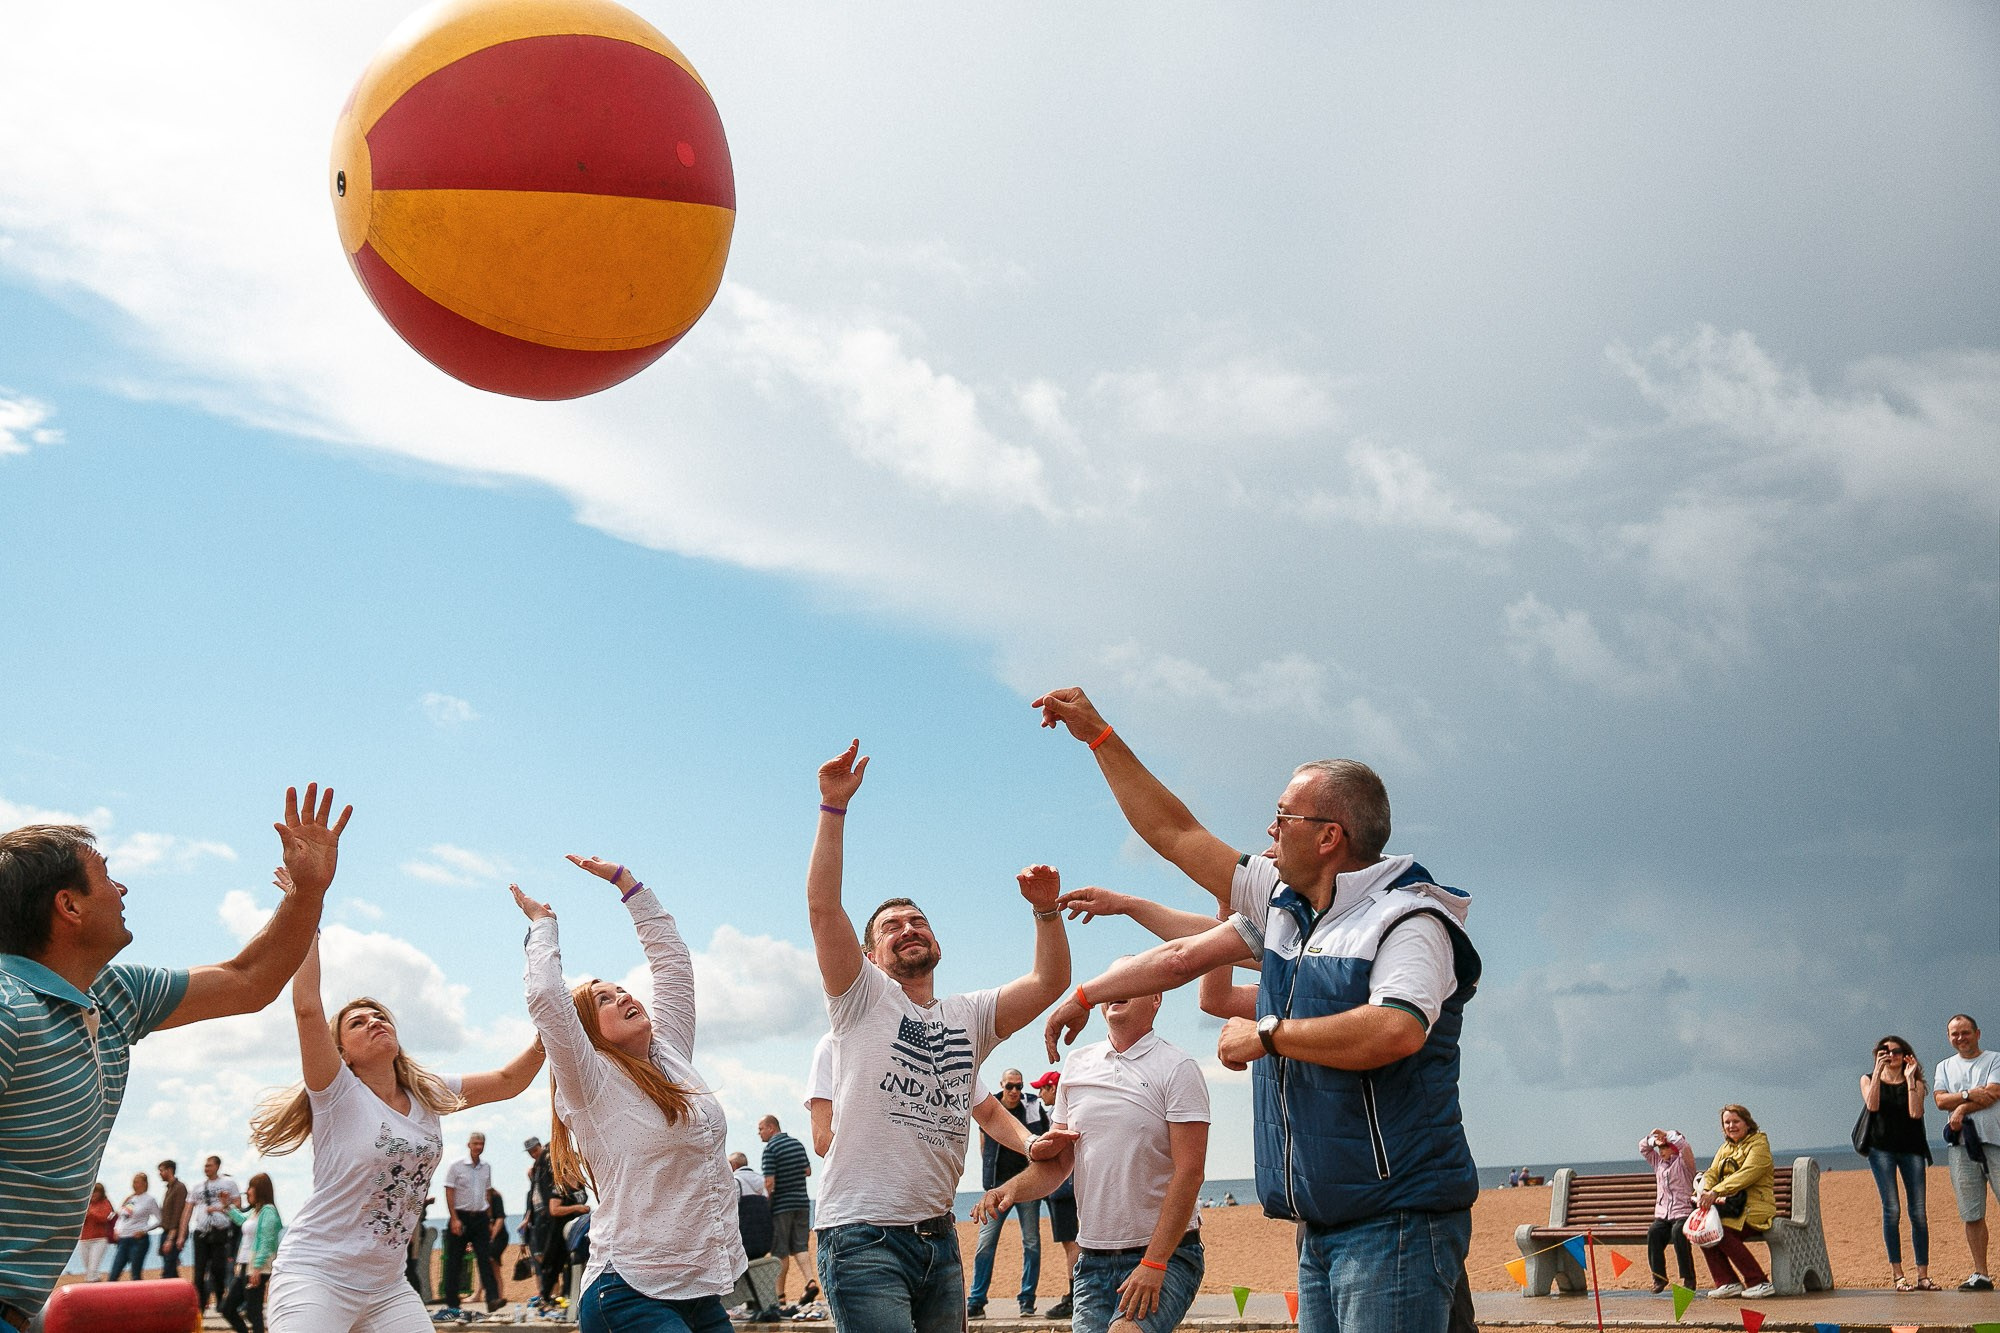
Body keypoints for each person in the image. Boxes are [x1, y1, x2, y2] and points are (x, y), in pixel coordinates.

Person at [1030, 688, 1480, 1333]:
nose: (1269, 830)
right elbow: (1175, 837)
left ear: (1330, 836)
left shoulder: (1409, 919)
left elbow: (1396, 1030)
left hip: (1396, 1219)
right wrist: (1099, 735)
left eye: (1283, 816)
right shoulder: (1287, 905)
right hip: (1320, 1221)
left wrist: (1267, 1036)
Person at [0, 784, 350, 1325]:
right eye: (106, 876)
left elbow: (249, 980)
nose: (122, 887)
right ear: (67, 905)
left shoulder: (116, 996)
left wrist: (307, 891)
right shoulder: (7, 1008)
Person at [806, 740, 1076, 1333]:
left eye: (918, 920)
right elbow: (825, 910)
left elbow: (1050, 979)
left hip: (938, 1235)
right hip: (862, 1237)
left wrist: (1046, 911)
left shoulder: (969, 1015)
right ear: (869, 954)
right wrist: (833, 811)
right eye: (892, 926)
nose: (909, 929)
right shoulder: (861, 1000)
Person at [253, 925, 544, 1333]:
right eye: (357, 1023)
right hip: (316, 1275)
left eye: (380, 1017)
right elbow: (306, 1008)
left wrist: (549, 1031)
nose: (374, 1022)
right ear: (343, 1054)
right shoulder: (337, 1092)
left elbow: (508, 1081)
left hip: (387, 1287)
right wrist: (307, 925)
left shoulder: (428, 1092)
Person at [514, 854, 748, 1333]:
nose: (624, 996)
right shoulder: (588, 1079)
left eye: (623, 989)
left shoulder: (671, 1055)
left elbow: (673, 966)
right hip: (628, 1291)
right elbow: (545, 996)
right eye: (604, 998)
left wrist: (629, 886)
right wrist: (544, 925)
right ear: (586, 1031)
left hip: (700, 1292)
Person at [977, 982, 1209, 1333]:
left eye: (1131, 978)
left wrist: (1154, 1263)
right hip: (1093, 1261)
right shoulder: (1078, 1064)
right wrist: (1009, 1190)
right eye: (1112, 979)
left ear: (1156, 996)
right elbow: (1058, 1163)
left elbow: (1190, 1174)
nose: (1117, 984)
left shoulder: (1178, 1066)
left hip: (1166, 1254)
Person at [968, 1069, 1051, 1319]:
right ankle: (976, 1301)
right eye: (1010, 1086)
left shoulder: (1034, 1106)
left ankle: (1027, 1300)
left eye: (1019, 1086)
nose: (1014, 1091)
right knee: (985, 1244)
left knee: (1032, 1243)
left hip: (1027, 1188)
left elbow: (1045, 1136)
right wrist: (990, 1182)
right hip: (997, 1188)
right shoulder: (991, 1106)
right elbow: (984, 1146)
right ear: (1001, 1085)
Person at [1860, 1035, 1935, 1291]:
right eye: (1884, 1050)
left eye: (1895, 1051)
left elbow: (1916, 1113)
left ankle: (1923, 1275)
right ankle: (1898, 1275)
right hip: (1881, 1150)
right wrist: (1878, 1070)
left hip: (1912, 1149)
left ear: (1906, 1054)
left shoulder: (1918, 1082)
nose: (1890, 1054)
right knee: (1892, 1209)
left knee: (1919, 1213)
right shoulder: (1868, 1079)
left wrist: (1911, 1079)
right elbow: (1872, 1105)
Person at [1934, 1013, 2000, 1291]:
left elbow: (1994, 1092)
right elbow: (1939, 1101)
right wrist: (1967, 1096)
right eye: (1954, 1034)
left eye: (1965, 1032)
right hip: (1961, 1147)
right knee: (1971, 1212)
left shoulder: (1994, 1059)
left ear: (1977, 1033)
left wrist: (1960, 1106)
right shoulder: (1944, 1066)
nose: (1960, 1038)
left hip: (1995, 1141)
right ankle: (1981, 1273)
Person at [1695, 1104, 1776, 1300]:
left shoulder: (1759, 1145)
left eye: (1736, 1121)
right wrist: (1704, 1190)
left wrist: (1716, 1192)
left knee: (1721, 1230)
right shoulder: (1725, 1148)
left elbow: (1747, 1174)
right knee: (1704, 1229)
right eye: (1727, 1122)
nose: (1731, 1126)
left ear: (1747, 1123)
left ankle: (1759, 1282)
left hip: (1756, 1207)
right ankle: (1727, 1282)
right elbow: (1713, 1172)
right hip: (1731, 1207)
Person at [437, 1132, 504, 1315]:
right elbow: (449, 1191)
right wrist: (454, 1218)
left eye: (481, 1144)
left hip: (481, 1218)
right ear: (469, 1144)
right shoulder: (456, 1166)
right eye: (475, 1143)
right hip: (461, 1216)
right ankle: (452, 1302)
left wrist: (489, 1218)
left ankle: (492, 1299)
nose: (478, 1147)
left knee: (485, 1258)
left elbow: (488, 1192)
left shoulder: (486, 1167)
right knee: (455, 1261)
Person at [1032, 1071, 1080, 1322]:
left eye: (1043, 1089)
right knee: (1074, 1240)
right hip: (1070, 1186)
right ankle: (1078, 1293)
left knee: (1070, 1242)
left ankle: (1075, 1295)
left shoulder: (1058, 1119)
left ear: (1053, 1088)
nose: (1040, 1094)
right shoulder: (1073, 1112)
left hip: (1063, 1188)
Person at [759, 1115, 813, 1305]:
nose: (759, 1134)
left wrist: (768, 1203)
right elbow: (808, 1171)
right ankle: (810, 1281)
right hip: (802, 1202)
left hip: (782, 1206)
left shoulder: (770, 1149)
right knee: (800, 1246)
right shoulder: (797, 1144)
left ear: (771, 1128)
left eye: (761, 1129)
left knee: (780, 1251)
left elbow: (769, 1182)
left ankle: (779, 1296)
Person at [220, 1172, 282, 1333]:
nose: (247, 1191)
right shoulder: (256, 1211)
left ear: (259, 1190)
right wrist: (227, 1205)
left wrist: (257, 1268)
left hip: (255, 1267)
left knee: (254, 1312)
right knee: (228, 1308)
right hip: (244, 1266)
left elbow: (267, 1242)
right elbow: (241, 1219)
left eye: (250, 1188)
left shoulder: (268, 1212)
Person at [1639, 1129, 1698, 1292]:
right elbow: (1643, 1147)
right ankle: (1659, 1278)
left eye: (1665, 1147)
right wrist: (1654, 1140)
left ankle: (1689, 1278)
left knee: (1679, 1232)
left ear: (1673, 1147)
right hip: (1663, 1214)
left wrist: (1667, 1134)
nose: (1661, 1151)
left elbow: (1684, 1146)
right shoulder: (1658, 1163)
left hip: (1683, 1212)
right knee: (1654, 1232)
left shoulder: (1685, 1163)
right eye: (1660, 1148)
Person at [190, 1155, 243, 1308]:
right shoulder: (198, 1186)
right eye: (205, 1166)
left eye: (210, 1165)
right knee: (199, 1271)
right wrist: (182, 1232)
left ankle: (220, 1301)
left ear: (218, 1166)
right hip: (201, 1231)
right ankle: (200, 1306)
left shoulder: (228, 1183)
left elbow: (238, 1204)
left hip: (220, 1231)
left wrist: (220, 1207)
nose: (206, 1168)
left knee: (218, 1269)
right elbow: (188, 1209)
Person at [108, 1171, 161, 1281]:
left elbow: (160, 1220)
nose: (134, 1185)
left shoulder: (149, 1200)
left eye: (137, 1182)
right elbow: (122, 1217)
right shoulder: (131, 1199)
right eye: (133, 1182)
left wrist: (144, 1230)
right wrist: (116, 1229)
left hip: (138, 1240)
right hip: (123, 1239)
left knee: (135, 1274)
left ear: (144, 1183)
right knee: (114, 1273)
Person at [805, 1032, 836, 1157]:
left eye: (761, 1129)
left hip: (854, 1173)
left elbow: (822, 1142)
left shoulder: (832, 1044)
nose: (759, 1133)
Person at [157, 1159, 188, 1281]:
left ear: (169, 1170)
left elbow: (177, 1214)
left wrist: (171, 1238)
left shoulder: (179, 1188)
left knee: (168, 1271)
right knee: (171, 1269)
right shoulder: (169, 1189)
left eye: (161, 1170)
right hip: (166, 1232)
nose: (160, 1173)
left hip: (173, 1234)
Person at [78, 1182, 114, 1280]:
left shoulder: (105, 1203)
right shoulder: (85, 1203)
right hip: (84, 1239)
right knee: (88, 1268)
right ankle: (96, 1283)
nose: (94, 1194)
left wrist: (91, 1213)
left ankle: (90, 1288)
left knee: (93, 1268)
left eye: (96, 1192)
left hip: (99, 1239)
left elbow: (106, 1217)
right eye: (92, 1192)